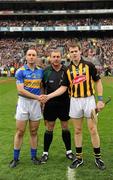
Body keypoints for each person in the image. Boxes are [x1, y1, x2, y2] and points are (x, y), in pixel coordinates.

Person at [43, 42, 105, 170]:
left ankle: (98, 158)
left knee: (93, 129)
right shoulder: (67, 70)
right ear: (69, 54)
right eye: (71, 52)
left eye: (76, 51)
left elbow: (98, 81)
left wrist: (100, 100)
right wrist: (48, 96)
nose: (74, 53)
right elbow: (63, 88)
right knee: (77, 130)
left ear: (80, 51)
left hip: (89, 100)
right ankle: (79, 158)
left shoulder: (89, 65)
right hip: (75, 101)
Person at [9, 48, 44, 168]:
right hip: (23, 103)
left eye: (33, 55)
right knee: (20, 132)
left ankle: (34, 156)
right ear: (26, 56)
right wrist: (37, 97)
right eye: (29, 55)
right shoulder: (20, 71)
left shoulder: (41, 71)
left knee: (34, 131)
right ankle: (15, 158)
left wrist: (42, 100)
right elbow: (21, 90)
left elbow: (42, 87)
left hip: (36, 104)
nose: (31, 57)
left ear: (37, 57)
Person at [39, 49, 74, 164]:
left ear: (61, 57)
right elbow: (42, 87)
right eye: (54, 56)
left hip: (64, 103)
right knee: (49, 127)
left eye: (58, 56)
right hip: (50, 104)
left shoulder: (67, 70)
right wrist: (42, 101)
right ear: (50, 58)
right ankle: (45, 153)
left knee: (65, 126)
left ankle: (69, 151)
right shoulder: (46, 71)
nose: (56, 58)